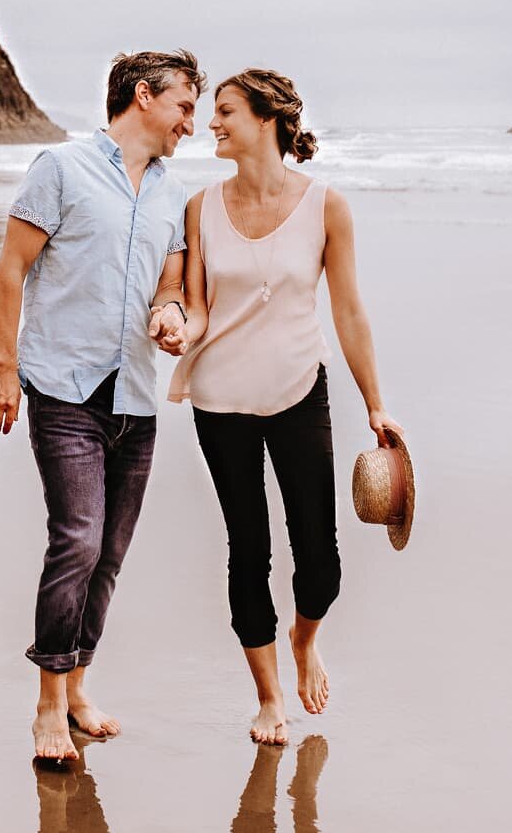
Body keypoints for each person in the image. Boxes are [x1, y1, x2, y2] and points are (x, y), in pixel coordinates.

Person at [154, 69, 404, 745]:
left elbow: (348, 311)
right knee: (249, 551)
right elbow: (200, 307)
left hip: (299, 390)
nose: (212, 123)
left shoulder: (327, 206)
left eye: (226, 111)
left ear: (268, 118)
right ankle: (268, 696)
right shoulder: (200, 206)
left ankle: (304, 640)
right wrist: (179, 324)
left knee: (319, 559)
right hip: (220, 399)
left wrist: (376, 403)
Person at [0, 49, 206, 763]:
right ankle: (48, 706)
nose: (190, 125)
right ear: (144, 96)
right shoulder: (61, 170)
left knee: (107, 555)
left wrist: (170, 313)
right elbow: (10, 269)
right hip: (63, 387)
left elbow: (170, 280)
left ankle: (78, 687)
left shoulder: (172, 193)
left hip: (135, 396)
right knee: (76, 539)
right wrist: (4, 368)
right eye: (184, 107)